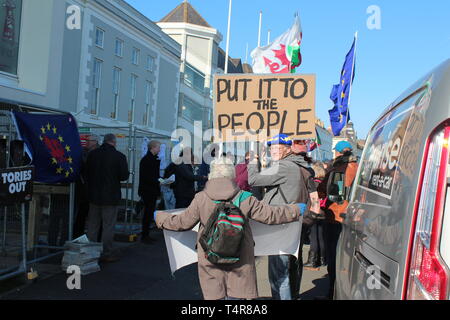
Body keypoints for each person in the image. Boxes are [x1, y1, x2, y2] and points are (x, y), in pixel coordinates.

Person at [154, 157, 307, 300]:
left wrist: (160, 217)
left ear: (212, 174)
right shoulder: (245, 197)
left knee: (215, 294)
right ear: (232, 175)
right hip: (240, 257)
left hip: (210, 256)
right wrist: (294, 210)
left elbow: (182, 222)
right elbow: (271, 215)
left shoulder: (201, 198)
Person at [247, 134, 312, 300]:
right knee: (289, 270)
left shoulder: (284, 166)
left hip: (281, 224)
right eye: (271, 148)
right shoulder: (293, 165)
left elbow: (253, 180)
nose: (273, 151)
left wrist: (253, 162)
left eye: (277, 148)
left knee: (278, 276)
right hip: (290, 222)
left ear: (287, 149)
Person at [317, 140, 359, 299]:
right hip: (354, 218)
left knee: (334, 258)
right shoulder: (359, 168)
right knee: (349, 259)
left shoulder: (337, 169)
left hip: (335, 217)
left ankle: (333, 292)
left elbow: (323, 190)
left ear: (340, 153)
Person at [86, 134, 129, 262]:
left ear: (103, 141)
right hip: (111, 196)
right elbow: (124, 176)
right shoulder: (120, 157)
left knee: (93, 225)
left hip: (94, 195)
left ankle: (90, 252)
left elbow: (86, 172)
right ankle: (106, 252)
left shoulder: (92, 155)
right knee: (108, 226)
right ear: (114, 142)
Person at [74, 134, 99, 238]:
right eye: (86, 140)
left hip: (93, 189)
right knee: (81, 214)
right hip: (83, 189)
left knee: (92, 215)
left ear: (95, 142)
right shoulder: (83, 153)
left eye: (89, 140)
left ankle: (89, 235)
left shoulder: (97, 153)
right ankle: (78, 234)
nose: (86, 142)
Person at [304, 161, 327, 269]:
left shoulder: (313, 184)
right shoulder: (324, 184)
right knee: (321, 236)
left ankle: (312, 260)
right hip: (323, 212)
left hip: (314, 211)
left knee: (313, 237)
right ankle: (322, 259)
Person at [138, 140, 161, 244]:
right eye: (158, 147)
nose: (159, 149)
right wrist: (159, 180)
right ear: (153, 148)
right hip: (148, 190)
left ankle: (146, 234)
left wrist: (160, 179)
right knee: (148, 213)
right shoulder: (147, 160)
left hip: (150, 190)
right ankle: (145, 235)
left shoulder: (151, 159)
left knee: (149, 212)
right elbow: (148, 177)